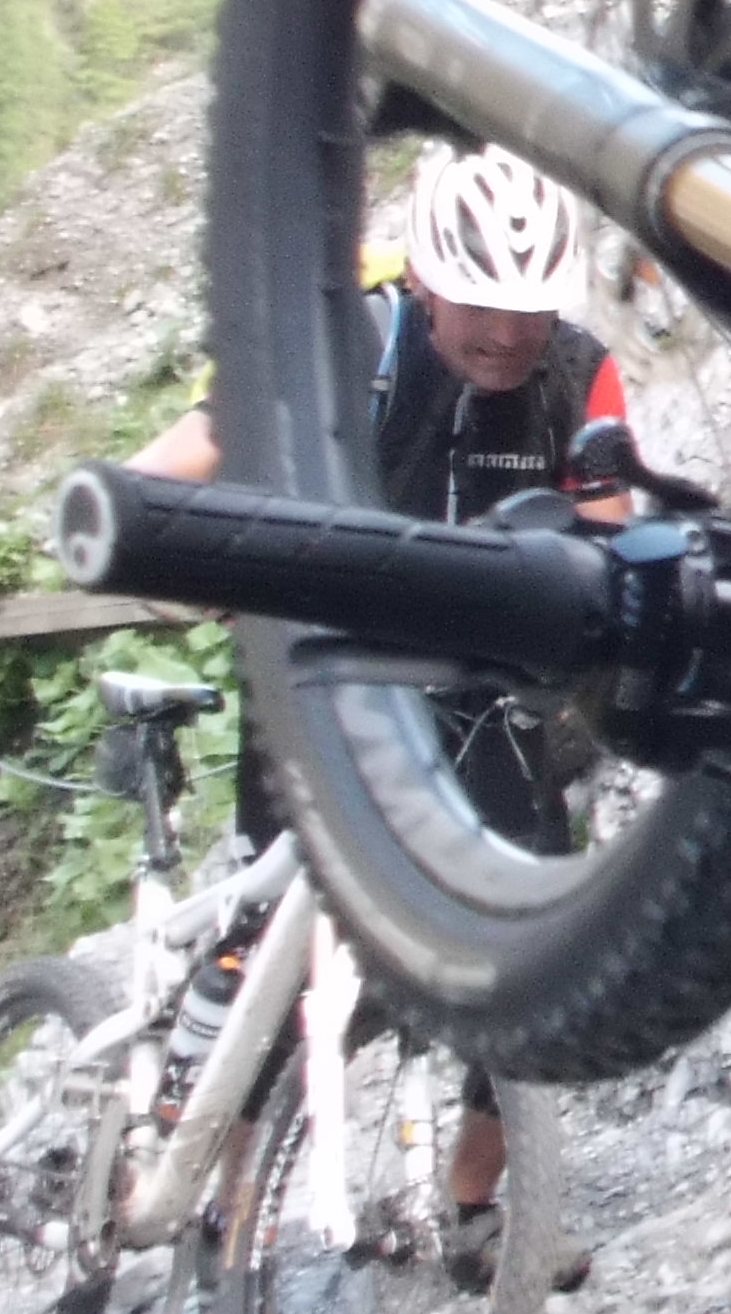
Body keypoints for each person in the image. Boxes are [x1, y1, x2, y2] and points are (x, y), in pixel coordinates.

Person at [131, 144, 629, 1236]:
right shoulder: (341, 345)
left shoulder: (579, 374)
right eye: (480, 309)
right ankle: (220, 1210)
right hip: (322, 685)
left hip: (483, 704)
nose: (508, 337)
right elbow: (163, 476)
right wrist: (185, 555)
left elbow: (612, 545)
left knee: (530, 960)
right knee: (267, 945)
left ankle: (476, 1206)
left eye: (531, 312)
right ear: (424, 283)